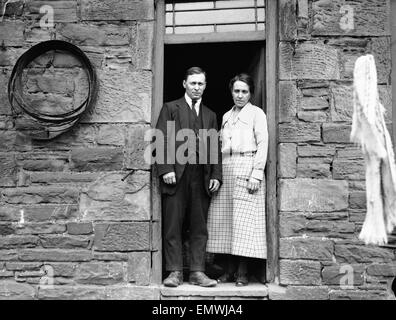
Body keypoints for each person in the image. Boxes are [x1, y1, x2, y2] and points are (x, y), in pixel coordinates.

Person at [155, 67, 222, 287]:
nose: (196, 88)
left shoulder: (210, 115)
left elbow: (214, 147)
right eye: (193, 83)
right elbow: (161, 139)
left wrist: (215, 174)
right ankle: (174, 272)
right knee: (173, 224)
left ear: (205, 86)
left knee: (199, 226)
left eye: (200, 84)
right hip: (176, 175)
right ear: (184, 84)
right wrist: (166, 169)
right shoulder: (170, 108)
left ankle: (197, 272)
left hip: (200, 177)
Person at [206, 73, 268, 286]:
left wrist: (257, 173)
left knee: (244, 224)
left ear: (250, 93)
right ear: (231, 92)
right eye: (236, 91)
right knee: (227, 222)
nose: (240, 95)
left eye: (244, 91)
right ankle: (229, 270)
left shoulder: (256, 114)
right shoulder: (225, 116)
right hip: (227, 167)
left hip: (247, 166)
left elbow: (263, 143)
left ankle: (242, 271)